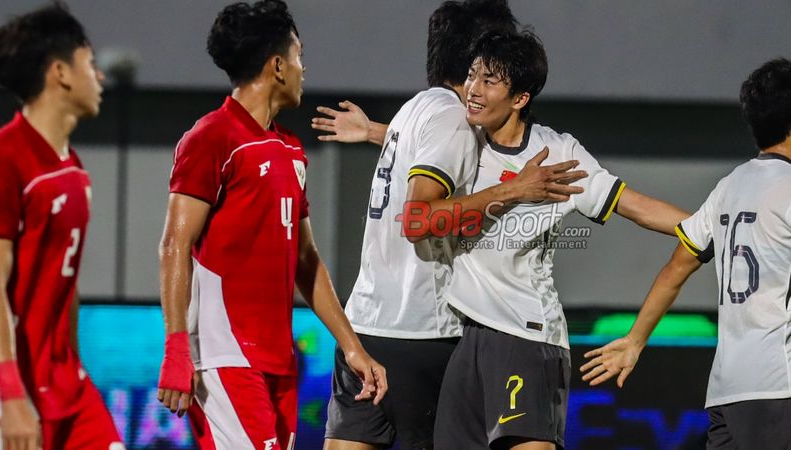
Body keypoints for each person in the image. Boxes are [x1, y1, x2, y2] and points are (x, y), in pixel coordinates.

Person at [316, 3, 589, 449]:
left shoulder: (414, 111)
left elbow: (428, 150)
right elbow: (419, 219)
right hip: (427, 329)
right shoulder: (454, 118)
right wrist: (512, 191)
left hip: (368, 324)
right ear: (475, 60)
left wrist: (372, 132)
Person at [428, 30, 691, 450]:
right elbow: (416, 151)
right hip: (466, 335)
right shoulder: (460, 138)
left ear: (520, 99)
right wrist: (374, 130)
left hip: (525, 336)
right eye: (472, 76)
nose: (473, 90)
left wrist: (707, 227)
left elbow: (633, 205)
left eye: (489, 81)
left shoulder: (558, 154)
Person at [155, 2, 387, 449]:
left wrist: (351, 346)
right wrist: (176, 348)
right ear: (278, 66)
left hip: (279, 363)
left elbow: (306, 260)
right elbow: (173, 244)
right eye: (299, 57)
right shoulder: (212, 137)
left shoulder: (291, 151)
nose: (303, 69)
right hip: (225, 358)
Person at [0, 3, 123, 450]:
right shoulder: (1, 158)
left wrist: (71, 362)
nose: (99, 78)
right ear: (60, 72)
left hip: (65, 386)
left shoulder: (73, 167)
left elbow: (65, 287)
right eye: (90, 64)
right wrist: (11, 395)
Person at [580, 58, 791, 450]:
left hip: (728, 393)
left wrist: (636, 339)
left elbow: (675, 269)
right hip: (781, 388)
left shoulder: (729, 186)